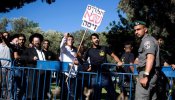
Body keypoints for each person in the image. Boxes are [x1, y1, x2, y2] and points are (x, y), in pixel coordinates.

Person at [83, 33, 123, 100]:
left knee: (112, 94)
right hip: (94, 76)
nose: (96, 39)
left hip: (105, 75)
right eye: (94, 38)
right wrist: (77, 59)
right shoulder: (89, 50)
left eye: (97, 38)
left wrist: (119, 61)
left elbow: (114, 56)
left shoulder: (104, 48)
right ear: (91, 40)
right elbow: (83, 61)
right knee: (95, 96)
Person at [133, 20, 160, 100]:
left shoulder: (147, 40)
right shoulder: (147, 40)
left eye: (138, 29)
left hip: (147, 74)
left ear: (145, 29)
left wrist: (145, 76)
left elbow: (150, 57)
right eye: (135, 30)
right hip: (150, 74)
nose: (136, 32)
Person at [21, 33, 47, 99]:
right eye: (35, 41)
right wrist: (32, 59)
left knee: (40, 92)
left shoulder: (43, 52)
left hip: (42, 75)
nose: (37, 43)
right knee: (31, 92)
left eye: (38, 41)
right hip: (33, 74)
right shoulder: (28, 50)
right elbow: (22, 57)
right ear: (32, 42)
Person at [59, 33, 79, 100]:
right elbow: (61, 45)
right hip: (65, 74)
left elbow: (77, 62)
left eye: (71, 39)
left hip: (73, 75)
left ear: (73, 41)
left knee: (72, 94)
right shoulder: (64, 49)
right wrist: (65, 37)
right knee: (64, 94)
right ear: (66, 41)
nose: (70, 41)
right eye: (68, 39)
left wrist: (77, 62)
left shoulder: (75, 51)